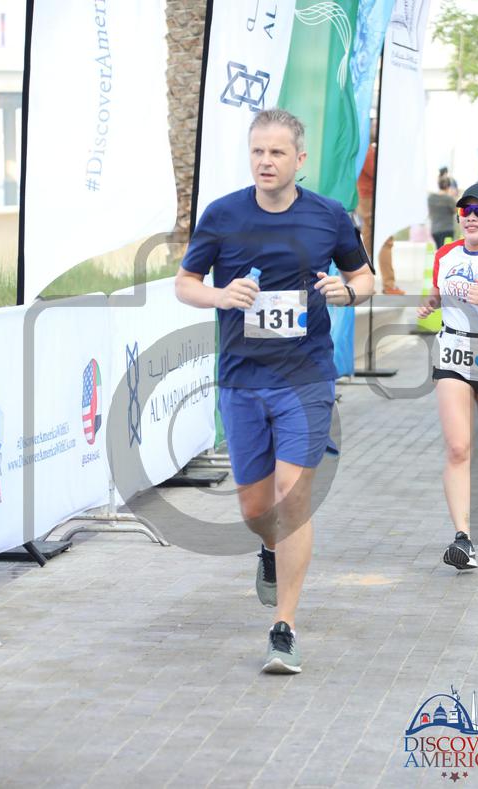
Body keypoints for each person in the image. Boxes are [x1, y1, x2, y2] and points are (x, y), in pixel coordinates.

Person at [175, 108, 374, 673]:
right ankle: (268, 548)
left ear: (299, 159)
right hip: (242, 379)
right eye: (258, 151)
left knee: (292, 498)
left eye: (277, 152)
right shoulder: (223, 214)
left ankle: (283, 627)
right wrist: (220, 296)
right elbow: (185, 283)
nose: (265, 161)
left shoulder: (328, 216)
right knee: (256, 507)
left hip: (305, 378)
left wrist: (347, 292)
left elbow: (364, 277)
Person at [418, 182, 478, 570]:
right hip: (454, 353)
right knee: (458, 448)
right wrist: (432, 302)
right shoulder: (446, 254)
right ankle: (463, 538)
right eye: (465, 211)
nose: (471, 217)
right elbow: (440, 291)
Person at [357, 128, 405, 295]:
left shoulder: (365, 149)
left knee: (368, 241)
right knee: (385, 239)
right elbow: (379, 172)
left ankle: (365, 284)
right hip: (372, 198)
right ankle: (389, 285)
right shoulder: (368, 151)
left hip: (366, 198)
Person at [427, 176, 456, 250]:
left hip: (435, 230)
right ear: (448, 186)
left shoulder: (431, 198)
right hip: (447, 229)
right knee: (447, 252)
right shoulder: (449, 199)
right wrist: (453, 196)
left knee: (439, 250)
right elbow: (455, 210)